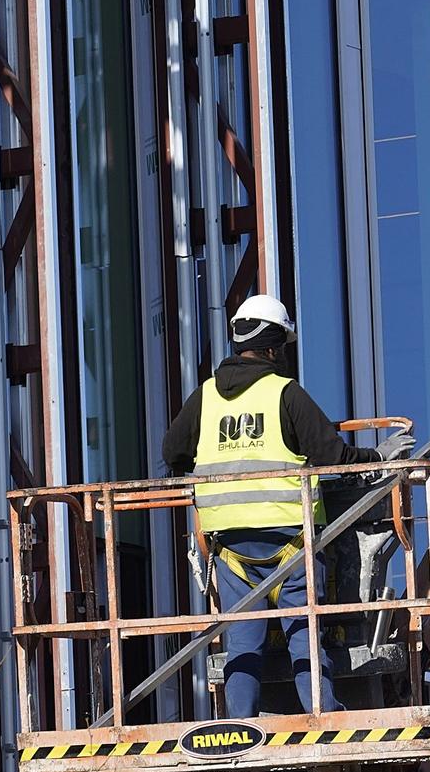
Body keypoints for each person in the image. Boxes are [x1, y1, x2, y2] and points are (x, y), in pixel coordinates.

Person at [162, 294, 414, 717]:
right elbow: (335, 457)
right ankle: (323, 714)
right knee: (304, 633)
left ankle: (238, 726)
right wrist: (380, 457)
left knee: (242, 641)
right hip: (290, 542)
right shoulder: (285, 393)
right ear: (275, 347)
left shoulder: (205, 398)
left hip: (230, 547)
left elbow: (173, 453)